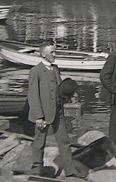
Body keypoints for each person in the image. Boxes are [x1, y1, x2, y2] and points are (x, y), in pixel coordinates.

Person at [27, 44, 79, 178]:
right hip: (43, 114)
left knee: (64, 141)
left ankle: (70, 170)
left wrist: (67, 96)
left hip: (57, 112)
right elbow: (33, 96)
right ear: (43, 54)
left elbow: (59, 89)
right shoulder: (36, 71)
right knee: (39, 143)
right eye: (52, 52)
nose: (54, 55)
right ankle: (36, 170)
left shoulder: (55, 69)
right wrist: (39, 117)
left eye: (55, 52)